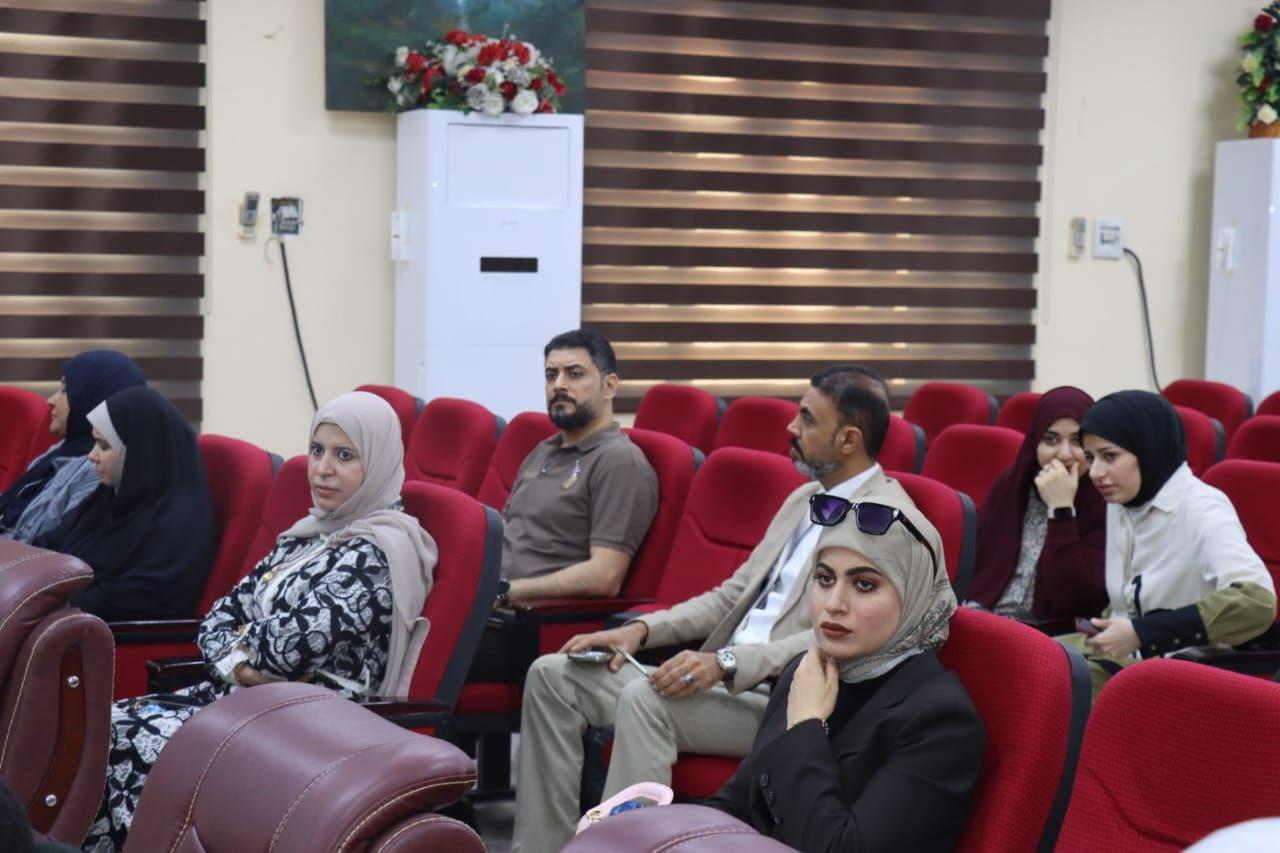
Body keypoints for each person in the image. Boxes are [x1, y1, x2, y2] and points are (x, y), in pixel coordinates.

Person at [512, 364, 944, 852]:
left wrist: (726, 661)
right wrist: (641, 630)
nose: (791, 427)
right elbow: (729, 597)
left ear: (848, 439)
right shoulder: (804, 498)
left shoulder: (885, 519)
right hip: (723, 681)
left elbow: (840, 637)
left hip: (785, 698)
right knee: (553, 676)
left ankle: (633, 847)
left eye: (806, 418)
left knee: (647, 700)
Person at [82, 391, 437, 851]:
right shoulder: (311, 534)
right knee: (101, 725)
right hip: (249, 701)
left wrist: (247, 650)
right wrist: (244, 666)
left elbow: (282, 652)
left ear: (380, 462)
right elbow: (217, 618)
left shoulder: (375, 556)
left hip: (316, 724)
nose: (322, 469)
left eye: (345, 456)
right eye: (317, 450)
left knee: (136, 741)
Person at [707, 493, 984, 852]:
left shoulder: (942, 722)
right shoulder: (807, 670)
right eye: (824, 579)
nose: (834, 604)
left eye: (864, 584)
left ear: (914, 595)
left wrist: (806, 726)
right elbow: (738, 802)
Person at [1055, 390, 1277, 697]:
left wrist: (1144, 632)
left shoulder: (1202, 507)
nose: (1095, 473)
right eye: (1091, 458)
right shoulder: (1125, 498)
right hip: (1119, 654)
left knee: (1050, 684)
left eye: (1110, 456)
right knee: (1027, 660)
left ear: (1147, 449)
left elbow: (1258, 602)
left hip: (1176, 668)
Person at [468, 329, 659, 682]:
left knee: (408, 647)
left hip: (531, 627)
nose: (559, 385)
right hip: (489, 611)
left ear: (610, 386)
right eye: (551, 375)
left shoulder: (620, 462)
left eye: (574, 374)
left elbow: (605, 576)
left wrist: (507, 592)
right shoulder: (543, 451)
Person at [34, 386, 217, 621]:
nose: (91, 456)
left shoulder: (178, 528)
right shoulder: (116, 495)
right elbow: (54, 540)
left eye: (104, 446)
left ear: (141, 451)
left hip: (105, 634)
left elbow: (123, 603)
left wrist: (38, 601)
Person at [964, 386, 1107, 623]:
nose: (1064, 454)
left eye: (1077, 441)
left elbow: (1077, 600)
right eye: (1051, 440)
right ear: (1035, 442)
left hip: (1050, 632)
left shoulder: (1103, 499)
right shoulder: (1012, 484)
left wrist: (1061, 510)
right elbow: (977, 574)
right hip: (985, 620)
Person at [0, 351, 145, 543]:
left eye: (65, 390)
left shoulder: (99, 470)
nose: (51, 400)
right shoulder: (62, 449)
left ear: (91, 398)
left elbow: (50, 548)